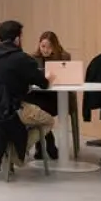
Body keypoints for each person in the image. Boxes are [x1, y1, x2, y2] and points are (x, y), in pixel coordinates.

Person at [0, 21, 56, 173]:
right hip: (11, 110)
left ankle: (6, 149)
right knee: (48, 121)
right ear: (18, 39)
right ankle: (14, 152)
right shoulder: (21, 58)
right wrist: (49, 78)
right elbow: (43, 83)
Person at [28, 30, 71, 159]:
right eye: (43, 46)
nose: (45, 50)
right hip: (38, 95)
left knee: (39, 111)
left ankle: (42, 147)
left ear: (55, 46)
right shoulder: (33, 58)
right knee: (36, 109)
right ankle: (49, 143)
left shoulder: (64, 57)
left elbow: (68, 78)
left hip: (56, 97)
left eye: (49, 47)